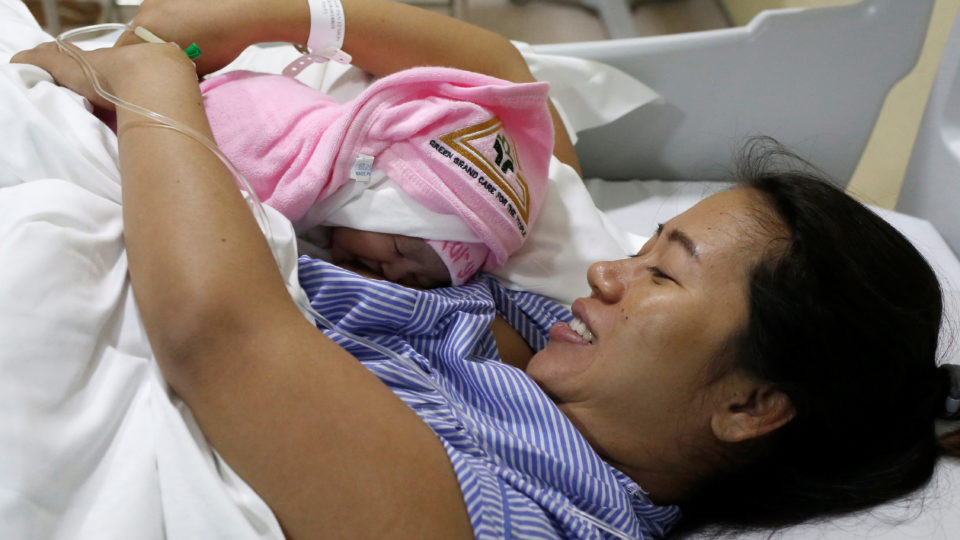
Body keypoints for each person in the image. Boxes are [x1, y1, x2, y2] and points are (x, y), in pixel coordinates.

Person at [12, 0, 960, 537]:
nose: (607, 276)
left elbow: (218, 336)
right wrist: (282, 18)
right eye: (642, 250)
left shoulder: (520, 510)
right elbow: (506, 80)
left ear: (751, 405)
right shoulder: (548, 342)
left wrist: (150, 74)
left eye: (663, 278)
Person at [201, 64, 554, 288]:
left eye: (417, 279)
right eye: (401, 247)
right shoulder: (280, 157)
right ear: (370, 199)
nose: (395, 273)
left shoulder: (335, 230)